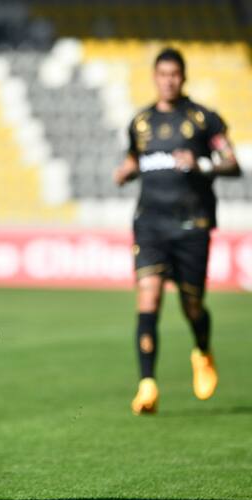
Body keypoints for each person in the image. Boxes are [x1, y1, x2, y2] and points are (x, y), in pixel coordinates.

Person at [113, 47, 241, 415]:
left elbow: (231, 164)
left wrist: (201, 162)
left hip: (192, 224)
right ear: (154, 77)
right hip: (150, 224)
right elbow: (136, 159)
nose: (168, 80)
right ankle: (147, 384)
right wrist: (125, 170)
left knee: (192, 304)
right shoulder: (139, 122)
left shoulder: (204, 119)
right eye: (162, 74)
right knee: (148, 297)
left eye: (174, 74)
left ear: (183, 78)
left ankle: (202, 350)